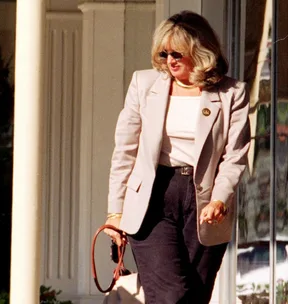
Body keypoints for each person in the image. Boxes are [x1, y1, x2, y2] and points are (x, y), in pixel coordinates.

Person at [104, 10, 250, 304]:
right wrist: (114, 212)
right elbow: (125, 150)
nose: (169, 60)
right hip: (152, 198)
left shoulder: (232, 92)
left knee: (194, 297)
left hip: (205, 201)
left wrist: (220, 198)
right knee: (171, 296)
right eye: (163, 53)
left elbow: (235, 155)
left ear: (200, 51)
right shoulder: (144, 85)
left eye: (177, 53)